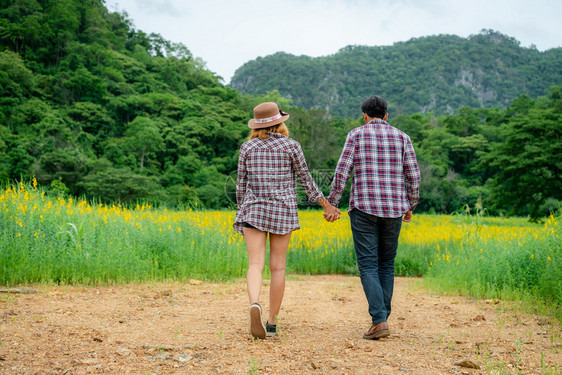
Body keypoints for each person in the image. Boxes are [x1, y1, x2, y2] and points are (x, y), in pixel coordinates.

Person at [234, 102, 340, 340]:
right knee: (278, 267)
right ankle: (271, 324)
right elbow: (306, 181)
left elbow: (241, 185)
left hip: (254, 209)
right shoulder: (291, 146)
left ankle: (254, 304)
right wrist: (327, 204)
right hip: (283, 210)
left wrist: (242, 211)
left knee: (255, 264)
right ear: (279, 122)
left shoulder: (247, 148)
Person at [327, 95, 420, 340]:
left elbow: (342, 171)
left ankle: (379, 320)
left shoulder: (355, 135)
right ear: (386, 115)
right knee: (386, 265)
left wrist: (332, 204)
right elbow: (414, 175)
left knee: (368, 264)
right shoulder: (402, 137)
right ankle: (382, 319)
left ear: (364, 115)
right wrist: (410, 204)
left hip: (363, 208)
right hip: (393, 210)